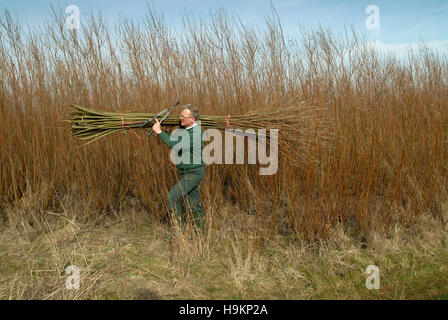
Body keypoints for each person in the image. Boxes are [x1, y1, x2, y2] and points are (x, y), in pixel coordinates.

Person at [152, 104, 205, 234]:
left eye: (183, 116)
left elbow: (174, 145)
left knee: (172, 197)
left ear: (192, 119)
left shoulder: (196, 133)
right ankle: (201, 232)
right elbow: (172, 140)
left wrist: (158, 132)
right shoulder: (185, 131)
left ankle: (177, 233)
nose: (180, 118)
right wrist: (168, 131)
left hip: (194, 173)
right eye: (180, 115)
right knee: (193, 203)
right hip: (186, 172)